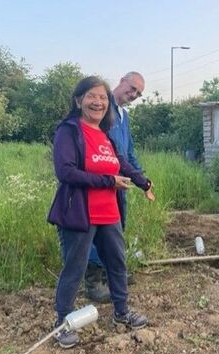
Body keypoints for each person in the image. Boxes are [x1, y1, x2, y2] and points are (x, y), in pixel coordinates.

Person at [47, 76, 155, 348]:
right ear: (79, 100)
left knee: (117, 263)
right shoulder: (69, 131)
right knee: (76, 267)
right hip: (80, 213)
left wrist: (144, 182)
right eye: (92, 96)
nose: (98, 102)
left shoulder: (104, 134)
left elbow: (120, 163)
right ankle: (62, 323)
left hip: (109, 213)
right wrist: (109, 182)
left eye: (103, 98)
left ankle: (121, 312)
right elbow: (66, 172)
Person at [85, 72, 146, 303]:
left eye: (138, 94)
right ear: (122, 81)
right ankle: (93, 281)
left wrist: (141, 178)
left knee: (116, 230)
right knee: (97, 232)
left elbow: (128, 152)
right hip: (100, 183)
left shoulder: (124, 117)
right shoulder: (100, 108)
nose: (133, 95)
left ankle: (113, 275)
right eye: (132, 89)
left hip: (120, 184)